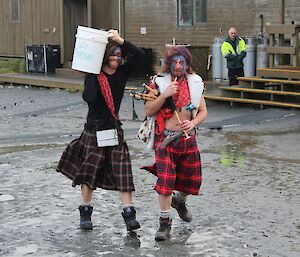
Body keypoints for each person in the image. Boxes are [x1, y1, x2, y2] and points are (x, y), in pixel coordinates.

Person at [57, 29, 145, 232]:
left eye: (119, 55)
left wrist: (119, 40)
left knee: (123, 174)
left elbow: (139, 56)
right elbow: (89, 98)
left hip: (113, 130)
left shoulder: (122, 73)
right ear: (105, 56)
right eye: (113, 54)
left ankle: (129, 215)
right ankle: (86, 213)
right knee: (89, 173)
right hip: (94, 130)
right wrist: (91, 74)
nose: (116, 57)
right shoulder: (95, 75)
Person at [142, 46, 208, 241]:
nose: (178, 66)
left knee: (190, 181)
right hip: (165, 140)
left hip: (188, 140)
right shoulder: (158, 83)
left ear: (187, 64)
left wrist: (193, 122)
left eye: (182, 62)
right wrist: (164, 95)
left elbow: (203, 111)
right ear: (168, 63)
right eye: (174, 62)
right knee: (166, 182)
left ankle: (180, 201)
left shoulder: (195, 83)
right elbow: (148, 110)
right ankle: (164, 223)